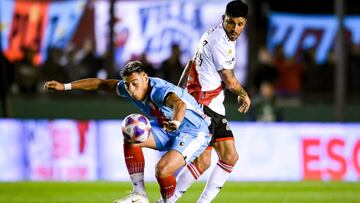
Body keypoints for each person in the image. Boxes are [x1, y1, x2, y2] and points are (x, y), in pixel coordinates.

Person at [43, 61, 211, 203]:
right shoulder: (128, 87)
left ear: (145, 77)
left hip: (193, 131)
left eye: (135, 84)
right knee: (132, 133)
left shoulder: (158, 90)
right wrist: (64, 86)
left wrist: (176, 121)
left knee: (162, 169)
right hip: (168, 127)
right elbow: (99, 84)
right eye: (128, 84)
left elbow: (179, 105)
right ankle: (139, 194)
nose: (131, 89)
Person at [175, 1, 251, 202]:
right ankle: (168, 199)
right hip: (204, 107)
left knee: (227, 157)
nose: (235, 29)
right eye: (231, 23)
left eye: (240, 24)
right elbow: (230, 80)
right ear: (223, 19)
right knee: (204, 161)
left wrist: (178, 90)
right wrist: (244, 94)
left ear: (245, 23)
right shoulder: (220, 43)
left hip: (211, 106)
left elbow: (191, 63)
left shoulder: (212, 34)